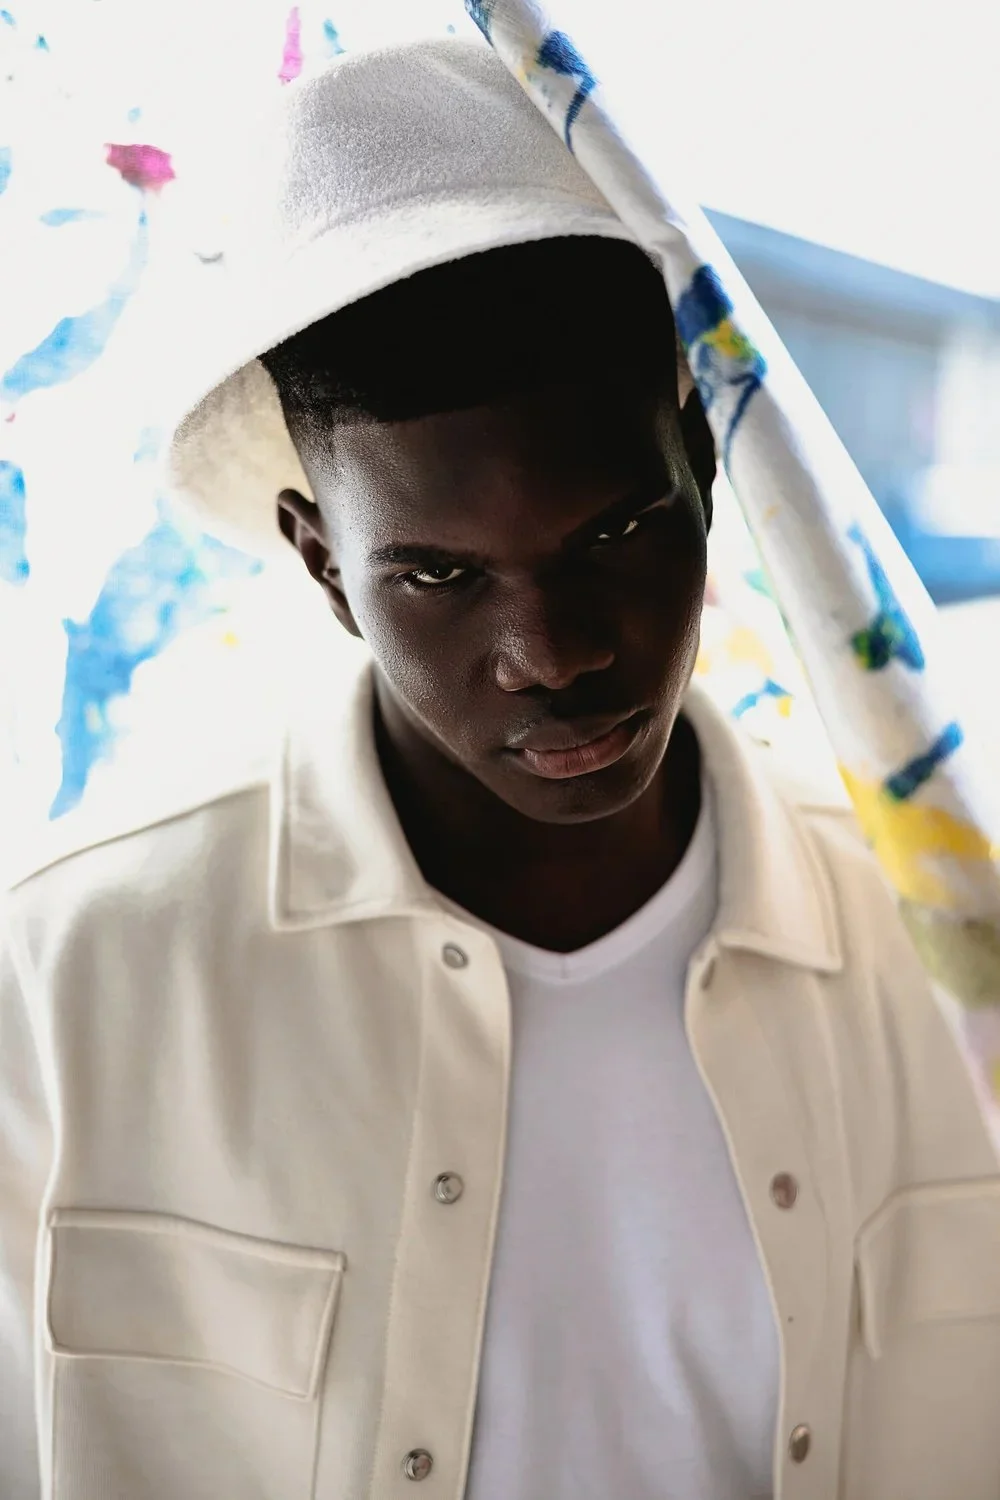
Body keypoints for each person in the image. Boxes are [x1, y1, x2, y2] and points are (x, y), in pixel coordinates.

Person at [2, 35, 999, 1500]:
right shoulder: (60, 978)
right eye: (439, 576)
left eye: (616, 532)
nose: (552, 653)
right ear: (322, 566)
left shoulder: (949, 953)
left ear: (705, 478)